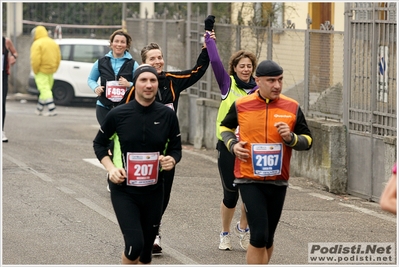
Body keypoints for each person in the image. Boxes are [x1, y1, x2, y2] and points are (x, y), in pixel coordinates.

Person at [119, 36, 210, 254]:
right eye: (153, 58)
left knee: (162, 193)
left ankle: (153, 230)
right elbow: (120, 116)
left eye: (160, 57)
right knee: (142, 193)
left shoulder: (172, 80)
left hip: (167, 150)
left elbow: (197, 71)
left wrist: (207, 49)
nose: (158, 61)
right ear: (144, 64)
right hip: (140, 151)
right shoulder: (136, 87)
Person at [220, 59, 313, 264]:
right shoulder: (242, 105)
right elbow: (225, 128)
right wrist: (233, 145)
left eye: (280, 80)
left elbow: (308, 140)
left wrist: (291, 138)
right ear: (258, 80)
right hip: (248, 178)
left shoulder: (292, 107)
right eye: (271, 80)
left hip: (278, 180)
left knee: (268, 237)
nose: (277, 85)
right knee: (259, 235)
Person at [93, 64, 182, 264]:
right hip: (124, 190)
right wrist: (111, 169)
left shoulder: (167, 115)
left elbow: (176, 149)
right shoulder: (118, 115)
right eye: (143, 80)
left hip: (154, 190)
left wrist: (172, 159)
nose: (148, 85)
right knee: (134, 246)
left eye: (153, 80)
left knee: (145, 254)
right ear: (135, 84)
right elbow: (98, 144)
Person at [204, 15, 257, 251]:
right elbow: (214, 60)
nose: (245, 70)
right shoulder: (227, 85)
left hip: (251, 148)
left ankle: (243, 230)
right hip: (227, 146)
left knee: (251, 195)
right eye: (241, 66)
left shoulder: (259, 89)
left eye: (249, 66)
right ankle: (224, 232)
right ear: (234, 68)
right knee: (230, 195)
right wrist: (209, 36)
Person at [87, 29, 139, 125]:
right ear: (111, 44)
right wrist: (96, 88)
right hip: (103, 106)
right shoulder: (101, 62)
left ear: (127, 45)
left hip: (125, 106)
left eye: (122, 42)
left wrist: (129, 84)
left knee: (121, 135)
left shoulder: (133, 64)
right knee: (107, 135)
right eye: (116, 41)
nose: (119, 44)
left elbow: (140, 84)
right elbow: (91, 79)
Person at [30, 26, 61, 116]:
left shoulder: (37, 43)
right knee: (46, 89)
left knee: (44, 89)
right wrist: (55, 68)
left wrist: (35, 70)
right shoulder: (53, 42)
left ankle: (52, 109)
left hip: (41, 70)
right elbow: (58, 57)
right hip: (51, 70)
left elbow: (35, 59)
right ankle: (39, 109)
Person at [2, 36, 18, 142]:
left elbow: (15, 53)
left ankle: (1, 130)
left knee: (1, 103)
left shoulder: (6, 41)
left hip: (2, 76)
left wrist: (13, 58)